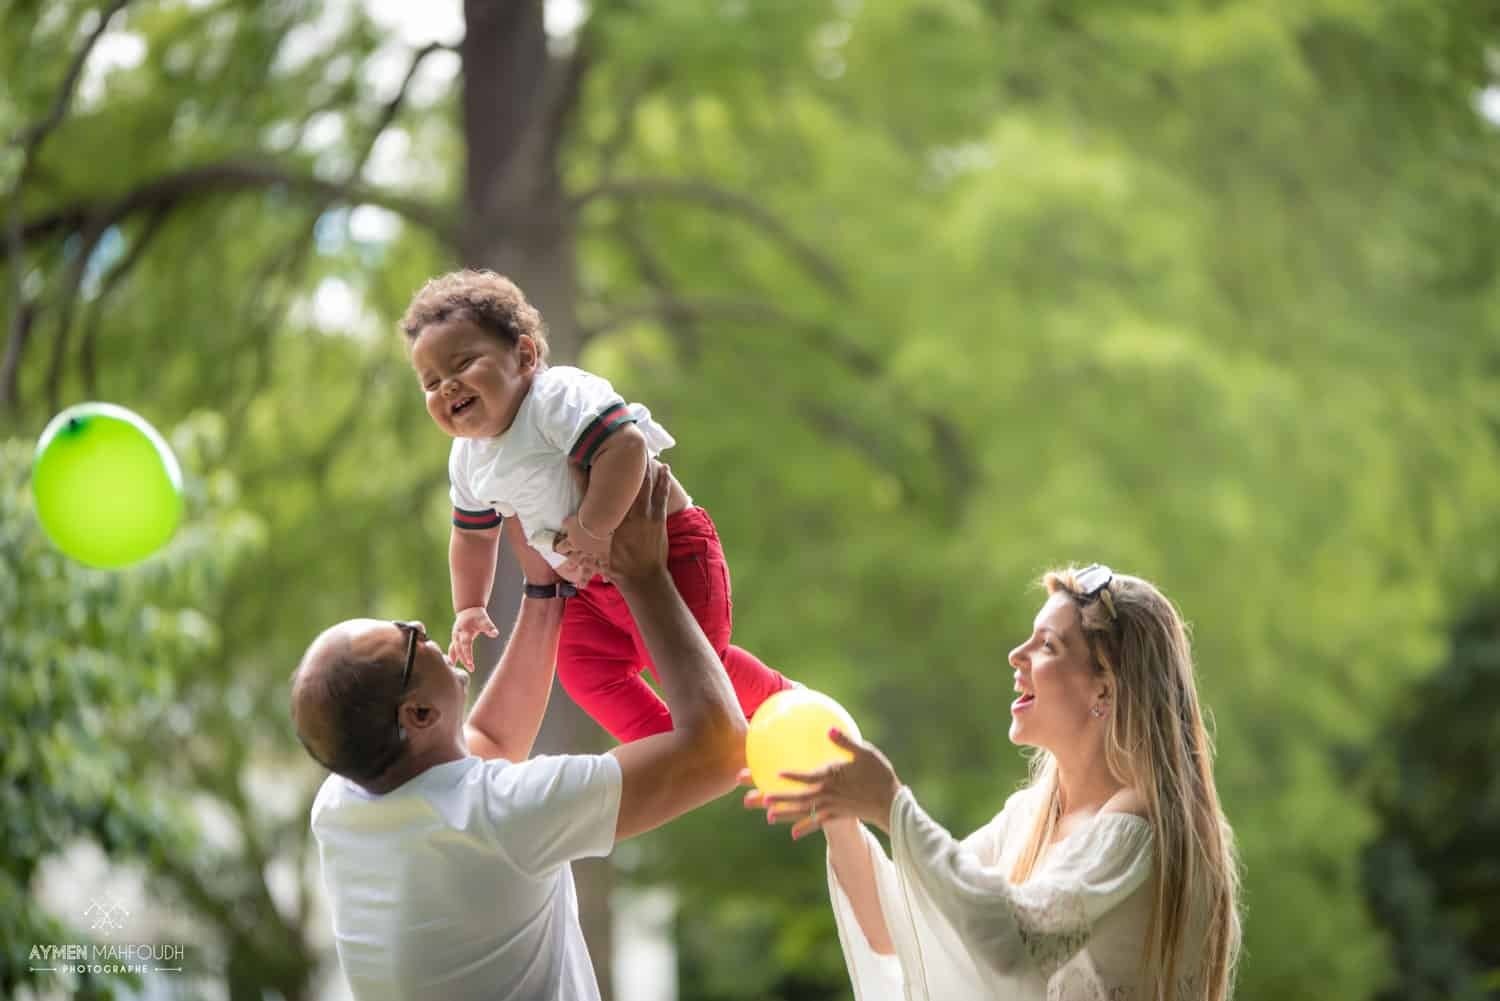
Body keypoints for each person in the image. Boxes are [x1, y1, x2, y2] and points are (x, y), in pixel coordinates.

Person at [290, 465, 748, 1001]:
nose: (417, 625)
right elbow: (718, 749)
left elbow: (488, 746)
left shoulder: (346, 803)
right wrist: (642, 575)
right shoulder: (502, 818)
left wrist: (544, 590)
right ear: (416, 716)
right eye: (406, 639)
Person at [745, 565, 1242, 1001]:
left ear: (1104, 689)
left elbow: (1013, 941)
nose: (1015, 656)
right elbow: (896, 926)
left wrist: (893, 806)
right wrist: (841, 810)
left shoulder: (1137, 830)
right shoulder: (1028, 817)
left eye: (1047, 645)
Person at [400, 268, 794, 742]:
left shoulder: (554, 398)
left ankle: (784, 699)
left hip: (666, 553)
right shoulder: (467, 458)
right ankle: (676, 749)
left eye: (463, 364)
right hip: (590, 585)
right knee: (585, 672)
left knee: (686, 659)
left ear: (524, 356)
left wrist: (592, 529)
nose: (447, 386)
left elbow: (624, 447)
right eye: (431, 381)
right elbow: (471, 535)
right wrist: (468, 605)